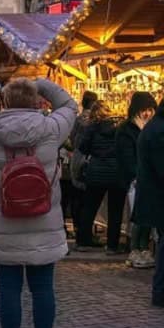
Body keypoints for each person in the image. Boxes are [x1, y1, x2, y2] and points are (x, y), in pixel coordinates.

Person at [0, 77, 79, 328]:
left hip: (7, 221)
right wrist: (41, 83)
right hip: (44, 219)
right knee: (43, 289)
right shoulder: (51, 129)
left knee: (9, 290)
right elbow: (69, 105)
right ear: (37, 101)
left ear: (5, 101)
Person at [77, 97, 129, 252]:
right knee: (115, 211)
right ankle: (112, 245)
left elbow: (83, 147)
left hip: (96, 172)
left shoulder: (92, 128)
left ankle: (83, 241)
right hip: (116, 172)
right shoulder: (120, 127)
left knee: (90, 207)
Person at [132, 92, 164, 304]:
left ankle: (160, 292)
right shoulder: (159, 131)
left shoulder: (154, 127)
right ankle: (160, 292)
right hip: (158, 197)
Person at [120, 93, 158, 272]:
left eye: (150, 110)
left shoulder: (152, 128)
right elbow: (126, 156)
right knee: (139, 215)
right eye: (144, 110)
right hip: (135, 180)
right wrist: (135, 175)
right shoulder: (126, 129)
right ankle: (135, 249)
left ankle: (144, 248)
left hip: (149, 179)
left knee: (148, 215)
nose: (147, 113)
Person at [64, 91, 99, 243]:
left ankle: (79, 230)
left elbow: (72, 139)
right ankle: (85, 234)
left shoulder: (78, 119)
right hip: (87, 160)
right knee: (86, 200)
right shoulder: (93, 121)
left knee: (77, 197)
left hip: (76, 158)